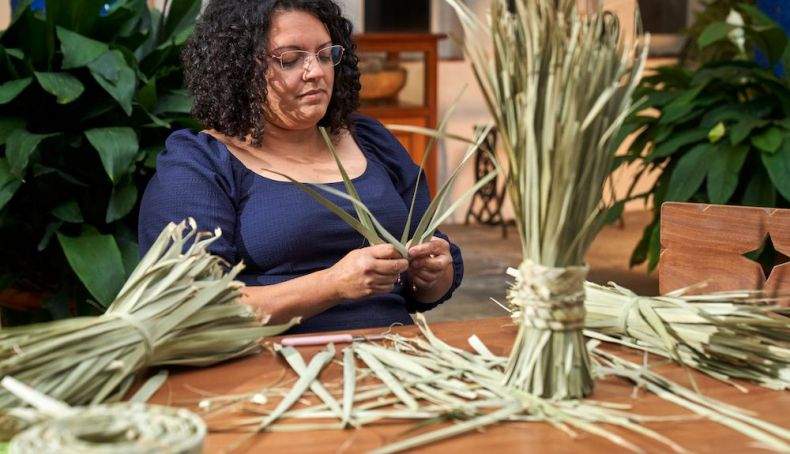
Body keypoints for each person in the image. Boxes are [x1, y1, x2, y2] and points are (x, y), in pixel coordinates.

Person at [138, 0, 463, 334]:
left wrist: (434, 274)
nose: (316, 72)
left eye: (325, 55)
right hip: (273, 368)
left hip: (396, 355)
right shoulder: (201, 165)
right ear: (238, 68)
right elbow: (188, 306)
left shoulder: (371, 140)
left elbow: (428, 272)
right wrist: (333, 285)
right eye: (290, 60)